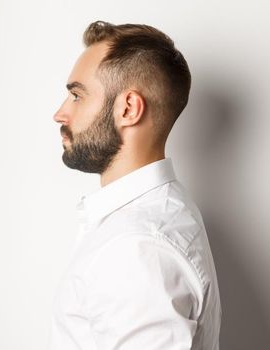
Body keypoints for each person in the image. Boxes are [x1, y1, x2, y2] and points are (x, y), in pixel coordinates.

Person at [49, 20, 221, 350]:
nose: (60, 113)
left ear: (128, 108)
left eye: (76, 95)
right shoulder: (154, 216)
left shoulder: (138, 246)